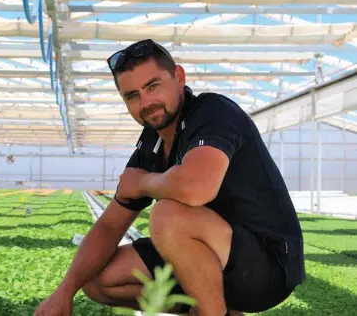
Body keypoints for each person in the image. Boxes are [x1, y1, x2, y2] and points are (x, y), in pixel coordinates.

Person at [35, 39, 305, 316]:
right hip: (211, 257)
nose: (146, 102)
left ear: (179, 77)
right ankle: (215, 308)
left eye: (153, 86)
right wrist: (64, 291)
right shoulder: (152, 143)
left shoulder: (213, 112)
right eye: (132, 95)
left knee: (168, 214)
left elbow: (196, 188)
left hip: (268, 265)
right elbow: (109, 226)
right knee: (97, 279)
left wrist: (143, 182)